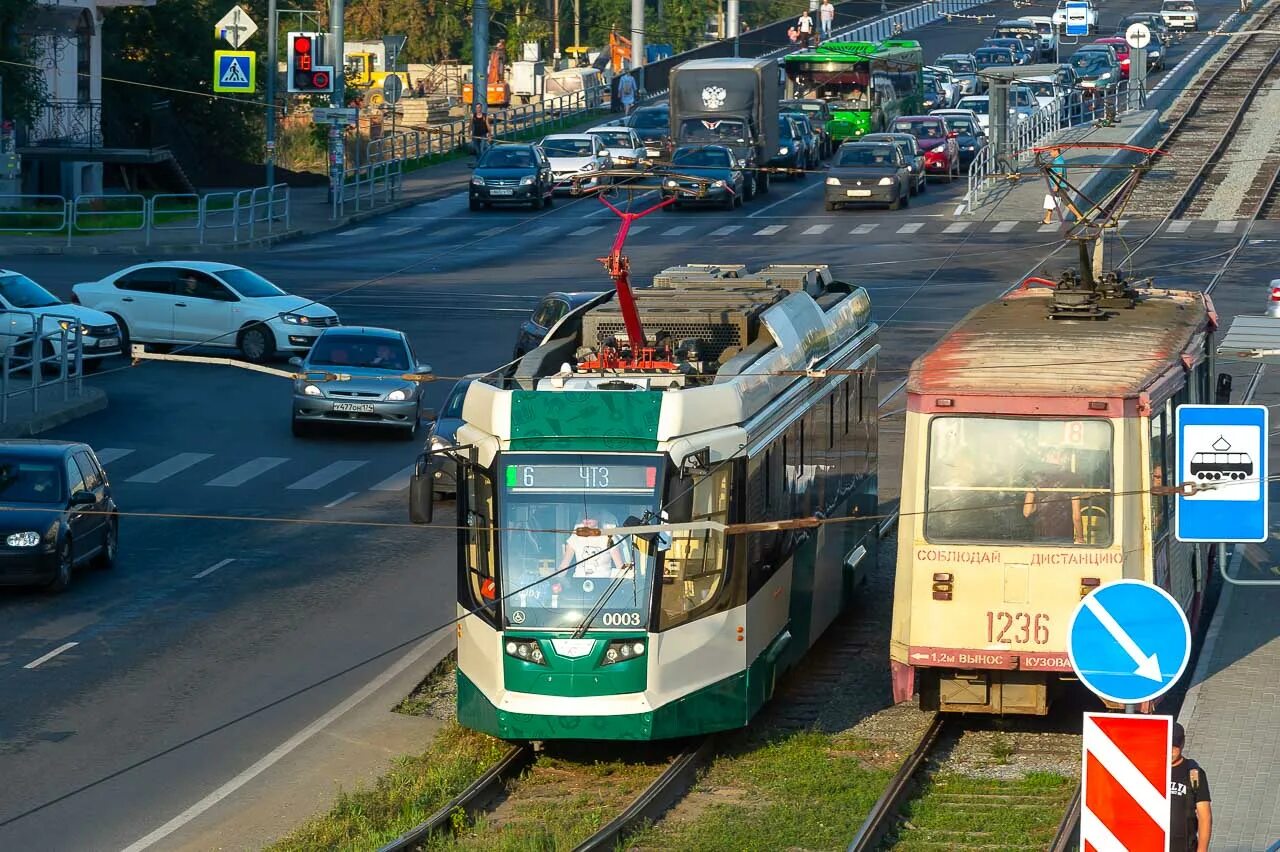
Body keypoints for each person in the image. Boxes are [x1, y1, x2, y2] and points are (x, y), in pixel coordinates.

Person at [1023, 446, 1083, 543]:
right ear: (1063, 459)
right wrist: (1080, 537)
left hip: (1040, 533)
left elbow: (1027, 512)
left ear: (1045, 458)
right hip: (1064, 534)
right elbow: (1076, 516)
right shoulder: (1072, 478)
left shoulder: (1035, 478)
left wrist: (1041, 504)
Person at [1170, 723, 1212, 852]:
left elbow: (1205, 817)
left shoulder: (1194, 773)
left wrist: (1202, 850)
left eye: (1174, 747)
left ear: (1183, 743)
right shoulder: (1150, 769)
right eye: (1166, 745)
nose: (1170, 750)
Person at [560, 517, 626, 579]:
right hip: (578, 584)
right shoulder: (575, 537)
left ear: (599, 515)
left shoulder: (609, 537)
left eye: (591, 516)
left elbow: (620, 567)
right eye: (584, 516)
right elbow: (563, 567)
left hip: (605, 586)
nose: (587, 519)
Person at [1042, 145, 1067, 225]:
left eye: (1051, 151)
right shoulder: (1057, 160)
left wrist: (1056, 185)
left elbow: (1059, 174)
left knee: (1068, 203)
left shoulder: (1059, 161)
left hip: (1059, 186)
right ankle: (1047, 218)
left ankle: (1079, 216)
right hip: (1057, 185)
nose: (1050, 153)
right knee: (1051, 200)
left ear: (1056, 151)